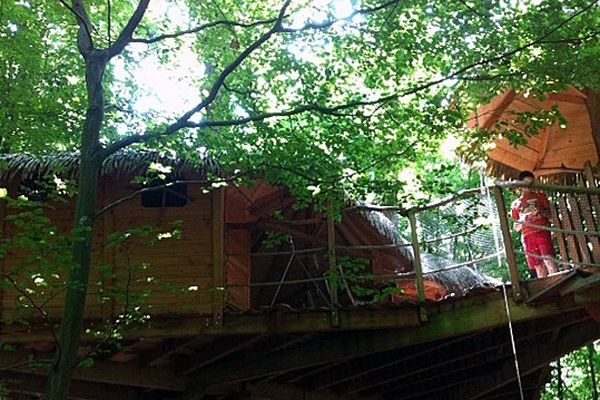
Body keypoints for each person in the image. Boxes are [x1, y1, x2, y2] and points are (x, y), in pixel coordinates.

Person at [511, 171, 558, 278]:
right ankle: (547, 291)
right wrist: (522, 219)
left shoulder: (540, 197)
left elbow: (550, 216)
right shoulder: (516, 204)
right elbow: (516, 228)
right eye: (526, 182)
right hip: (527, 236)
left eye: (531, 183)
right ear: (520, 184)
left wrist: (540, 212)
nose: (529, 186)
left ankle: (558, 283)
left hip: (542, 231)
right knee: (538, 266)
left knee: (549, 260)